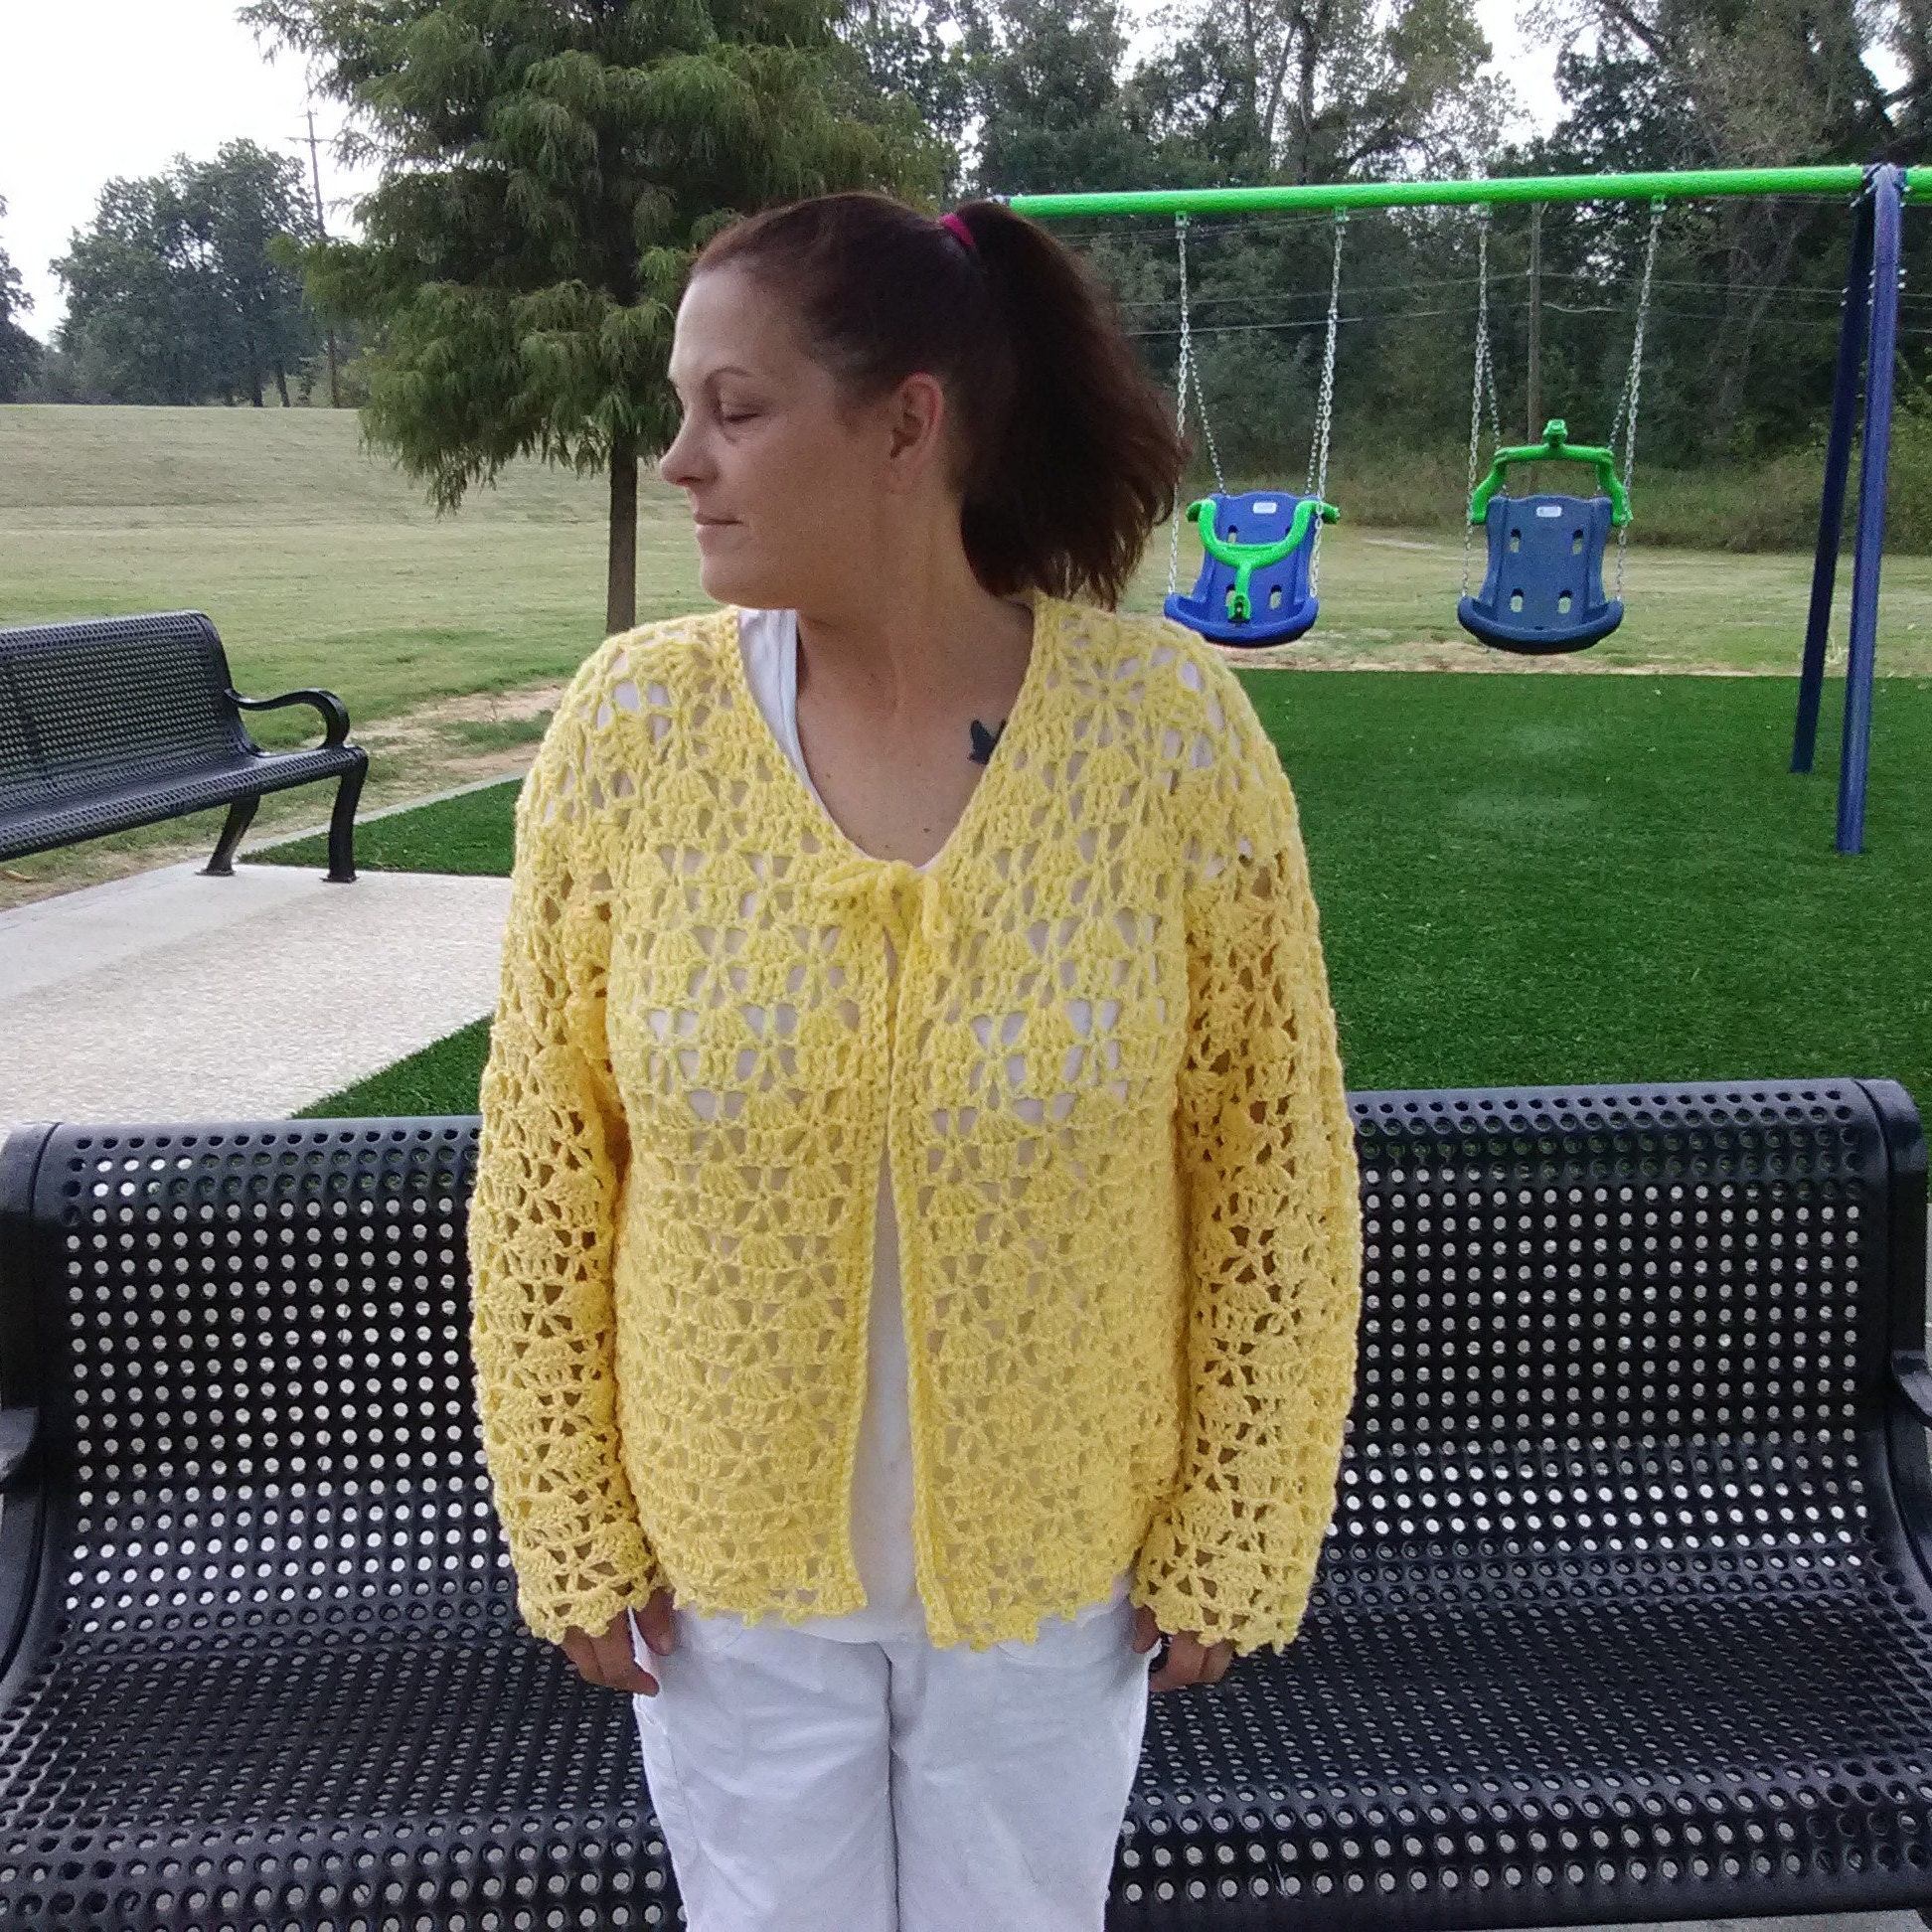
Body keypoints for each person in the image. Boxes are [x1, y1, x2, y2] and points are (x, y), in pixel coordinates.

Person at [465, 189, 1364, 1932]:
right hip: (727, 1580)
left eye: (734, 409)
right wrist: (565, 1510)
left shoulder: (1169, 739)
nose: (680, 461)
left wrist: (1242, 1509)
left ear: (906, 425)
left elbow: (1273, 1164)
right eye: (682, 409)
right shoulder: (629, 733)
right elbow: (545, 1167)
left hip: (1056, 1571)